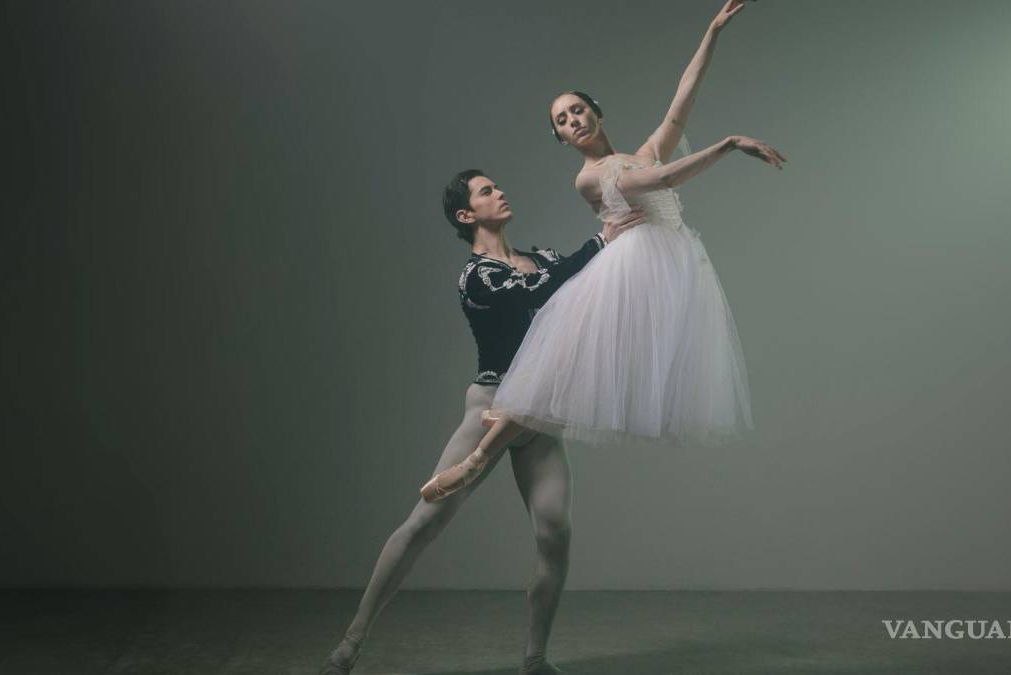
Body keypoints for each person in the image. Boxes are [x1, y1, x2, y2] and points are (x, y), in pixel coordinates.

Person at [420, 0, 787, 503]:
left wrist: (713, 31)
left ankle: (501, 422)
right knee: (565, 363)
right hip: (624, 268)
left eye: (578, 110)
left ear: (596, 112)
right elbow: (662, 179)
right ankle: (477, 458)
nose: (574, 120)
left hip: (670, 266)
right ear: (560, 137)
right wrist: (728, 144)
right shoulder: (590, 177)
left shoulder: (641, 153)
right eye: (562, 120)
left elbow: (681, 102)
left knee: (572, 372)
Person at [319, 170, 643, 675]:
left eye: (497, 186)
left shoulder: (543, 257)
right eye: (486, 191)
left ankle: (535, 658)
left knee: (555, 531)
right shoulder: (478, 276)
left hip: (538, 413)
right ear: (465, 215)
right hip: (492, 406)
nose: (500, 192)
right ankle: (350, 642)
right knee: (425, 521)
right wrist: (599, 241)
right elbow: (535, 289)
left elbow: (586, 283)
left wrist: (632, 226)